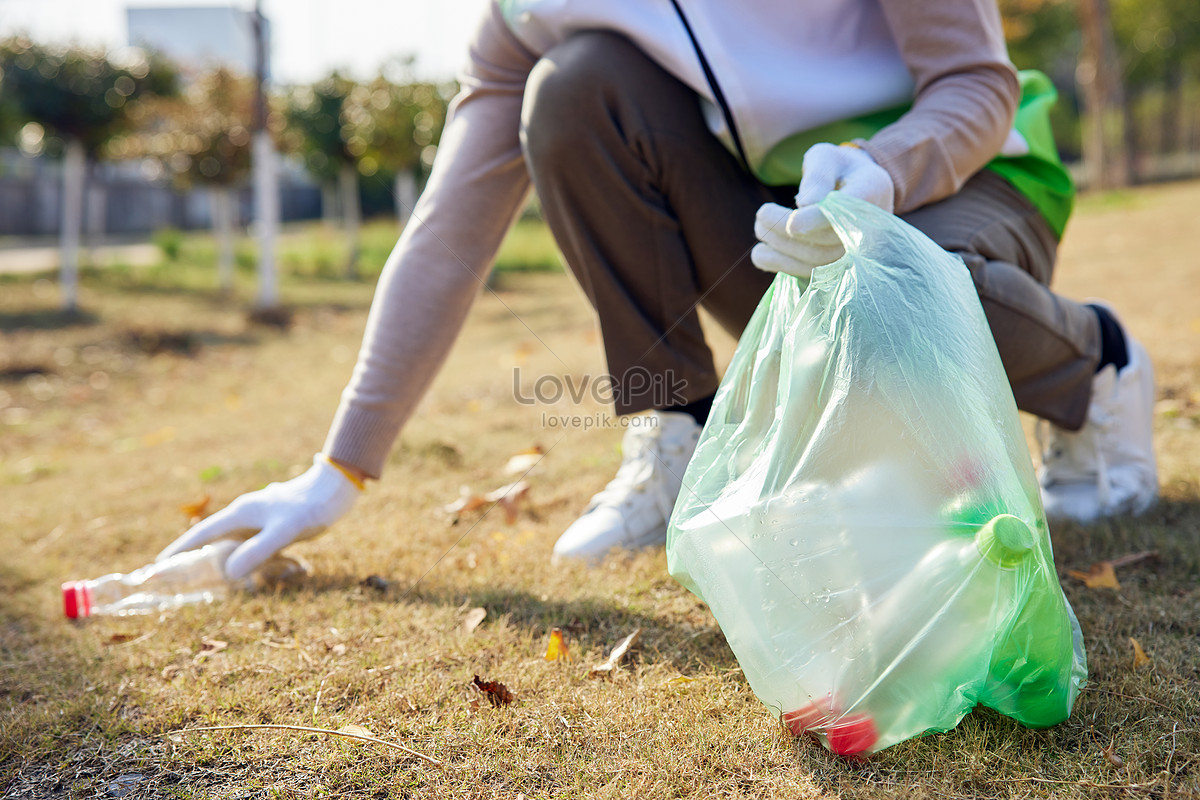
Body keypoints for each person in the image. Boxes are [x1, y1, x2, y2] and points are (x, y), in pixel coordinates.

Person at [159, 0, 1158, 577]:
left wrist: (886, 170)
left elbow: (978, 84)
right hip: (778, 217)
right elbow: (449, 226)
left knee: (904, 300)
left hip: (968, 178)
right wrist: (339, 467)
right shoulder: (529, 9)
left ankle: (1097, 368)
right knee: (575, 87)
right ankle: (682, 433)